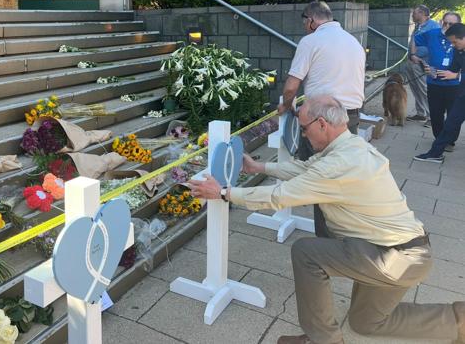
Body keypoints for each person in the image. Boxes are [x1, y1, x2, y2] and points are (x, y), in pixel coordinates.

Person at [189, 95, 464, 344]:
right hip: (407, 250)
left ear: (322, 124)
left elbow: (279, 197)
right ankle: (460, 322)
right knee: (366, 323)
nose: (304, 135)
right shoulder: (350, 145)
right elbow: (306, 168)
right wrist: (259, 166)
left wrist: (224, 193)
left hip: (394, 255)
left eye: (304, 128)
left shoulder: (338, 164)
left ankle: (322, 341)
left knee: (307, 253)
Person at [279, 1, 365, 236]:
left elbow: (291, 87)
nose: (305, 27)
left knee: (321, 179)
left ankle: (326, 241)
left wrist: (286, 106)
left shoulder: (311, 41)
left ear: (311, 20)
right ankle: (346, 233)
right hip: (351, 117)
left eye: (305, 23)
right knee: (340, 176)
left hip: (321, 120)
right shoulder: (353, 41)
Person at [414, 22, 465, 163]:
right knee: (450, 124)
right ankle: (435, 153)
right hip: (463, 97)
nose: (453, 45)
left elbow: (455, 74)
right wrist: (433, 71)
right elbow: (452, 69)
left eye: (455, 42)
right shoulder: (459, 50)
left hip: (459, 90)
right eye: (451, 43)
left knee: (451, 122)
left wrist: (456, 76)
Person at [407, 5, 440, 123]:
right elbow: (413, 43)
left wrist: (417, 55)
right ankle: (421, 113)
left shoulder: (433, 26)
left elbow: (434, 46)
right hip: (412, 62)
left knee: (425, 89)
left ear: (422, 14)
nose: (412, 15)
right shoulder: (417, 26)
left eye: (415, 13)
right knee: (416, 88)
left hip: (424, 63)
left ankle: (433, 116)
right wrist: (411, 55)